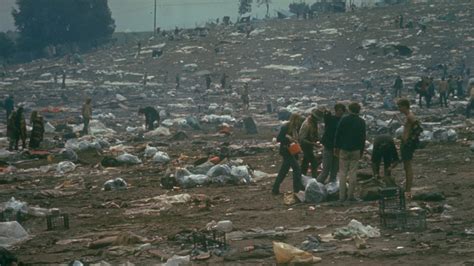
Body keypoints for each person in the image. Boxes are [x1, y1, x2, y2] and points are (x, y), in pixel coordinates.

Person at [334, 102, 366, 202]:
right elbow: (363, 138)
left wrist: (336, 147)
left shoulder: (344, 120)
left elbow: (338, 134)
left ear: (349, 109)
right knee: (353, 173)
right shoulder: (361, 122)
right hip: (356, 149)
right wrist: (361, 150)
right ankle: (350, 196)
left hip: (344, 149)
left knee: (342, 173)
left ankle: (341, 197)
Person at [272, 113, 305, 195]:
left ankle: (275, 189)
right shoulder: (285, 127)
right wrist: (288, 139)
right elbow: (279, 139)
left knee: (283, 171)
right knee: (297, 169)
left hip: (292, 151)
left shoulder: (295, 128)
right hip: (286, 151)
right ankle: (297, 189)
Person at [397, 98, 422, 199]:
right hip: (406, 143)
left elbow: (418, 128)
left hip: (407, 144)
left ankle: (408, 190)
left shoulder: (410, 116)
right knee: (406, 166)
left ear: (404, 106)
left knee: (408, 166)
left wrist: (409, 140)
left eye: (400, 106)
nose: (399, 109)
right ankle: (407, 188)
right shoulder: (408, 116)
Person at [317, 103, 346, 184]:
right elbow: (326, 116)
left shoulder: (343, 121)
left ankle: (331, 187)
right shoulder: (331, 119)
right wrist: (326, 112)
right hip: (329, 146)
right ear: (336, 111)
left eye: (341, 110)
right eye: (338, 110)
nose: (340, 112)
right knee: (325, 171)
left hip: (337, 148)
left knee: (334, 171)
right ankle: (315, 186)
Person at [299, 109, 320, 178]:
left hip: (310, 145)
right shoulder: (307, 124)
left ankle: (303, 178)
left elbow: (315, 134)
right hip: (305, 145)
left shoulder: (313, 123)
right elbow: (302, 139)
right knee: (311, 162)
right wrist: (313, 144)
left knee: (308, 162)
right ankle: (305, 178)